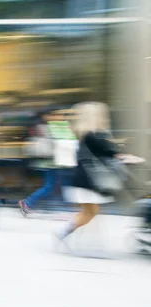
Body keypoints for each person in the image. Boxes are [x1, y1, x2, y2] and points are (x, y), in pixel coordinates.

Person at [57, 102, 137, 245]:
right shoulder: (94, 135)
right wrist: (127, 157)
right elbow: (109, 151)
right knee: (90, 212)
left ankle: (76, 237)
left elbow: (105, 150)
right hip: (88, 181)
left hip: (81, 179)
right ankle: (64, 234)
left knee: (91, 211)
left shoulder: (85, 134)